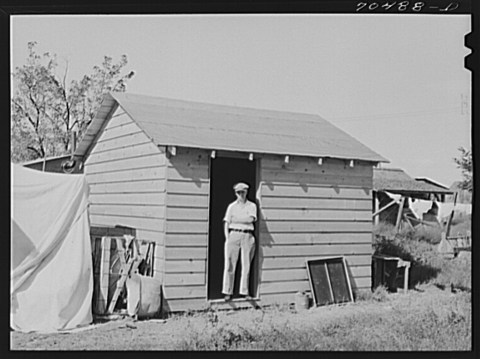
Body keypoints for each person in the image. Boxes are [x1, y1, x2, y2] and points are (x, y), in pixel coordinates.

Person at [222, 182, 257, 301]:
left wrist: (237, 219)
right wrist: (227, 237)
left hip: (247, 235)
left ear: (246, 192)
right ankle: (227, 291)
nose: (241, 194)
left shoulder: (251, 206)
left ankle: (244, 291)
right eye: (238, 192)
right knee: (230, 264)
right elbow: (227, 222)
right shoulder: (231, 206)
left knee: (246, 264)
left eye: (243, 192)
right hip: (234, 234)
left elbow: (250, 219)